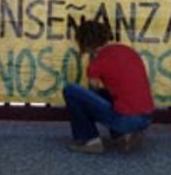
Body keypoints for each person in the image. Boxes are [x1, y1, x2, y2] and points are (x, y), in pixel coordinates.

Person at [63, 20, 155, 154]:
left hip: (126, 119)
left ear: (85, 44)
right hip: (147, 117)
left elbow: (92, 93)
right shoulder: (128, 50)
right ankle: (122, 135)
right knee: (112, 94)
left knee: (71, 91)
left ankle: (89, 140)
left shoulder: (96, 64)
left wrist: (92, 62)